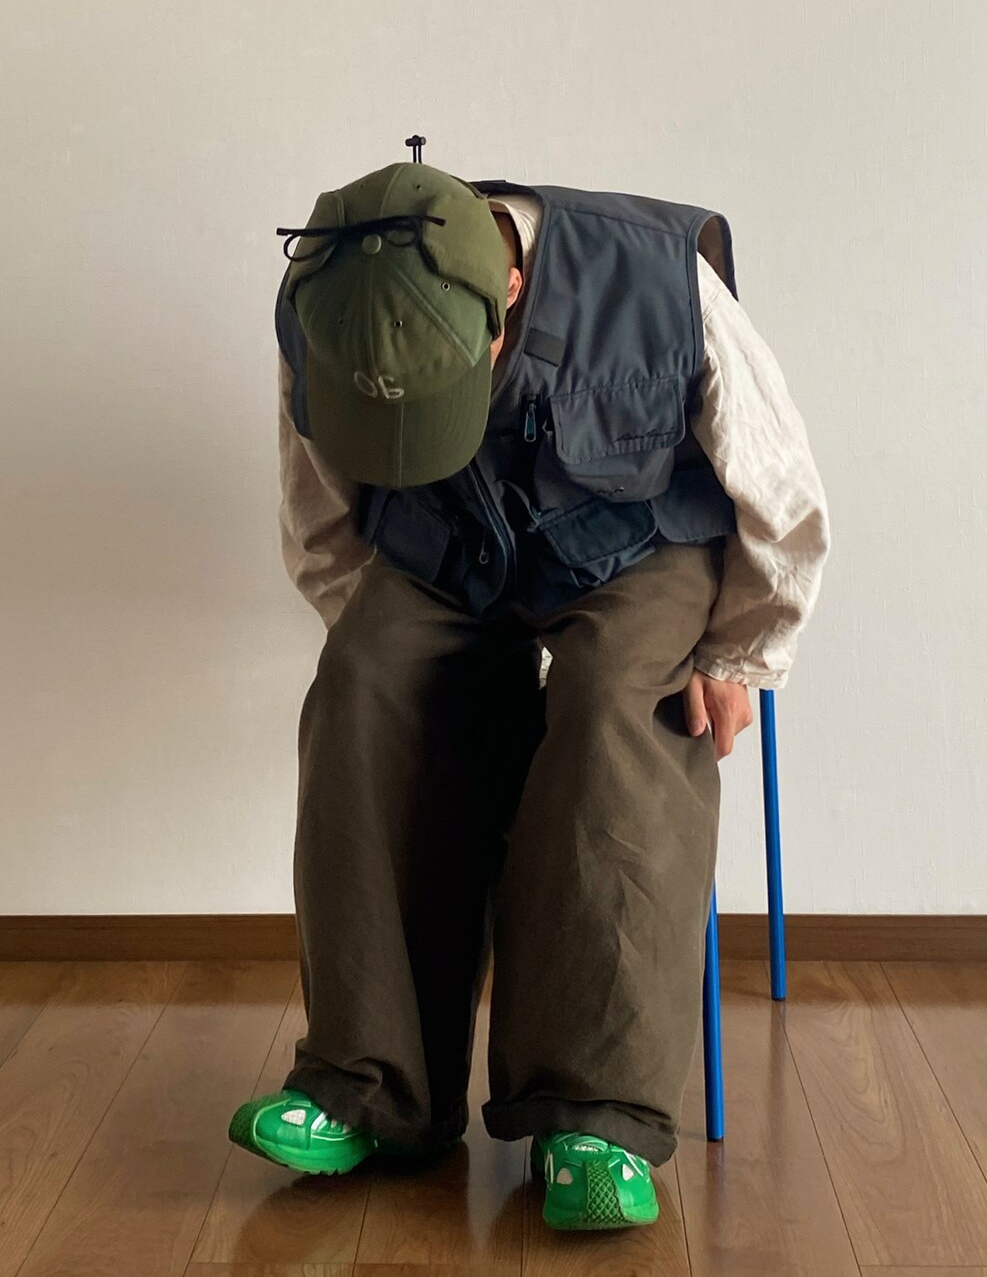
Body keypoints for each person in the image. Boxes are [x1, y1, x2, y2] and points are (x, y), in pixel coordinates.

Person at [228, 161, 830, 1231]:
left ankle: (593, 1111)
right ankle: (369, 1086)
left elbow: (780, 489)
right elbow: (319, 500)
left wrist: (742, 650)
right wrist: (382, 645)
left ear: (508, 291)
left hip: (641, 545)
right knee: (364, 684)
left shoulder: (661, 280)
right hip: (450, 548)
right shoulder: (326, 304)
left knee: (612, 707)